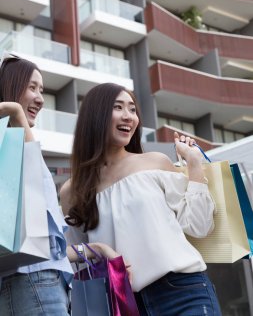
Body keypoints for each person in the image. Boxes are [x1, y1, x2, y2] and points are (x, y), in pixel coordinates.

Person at [60, 82, 222, 316]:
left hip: (183, 292)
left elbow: (199, 226)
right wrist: (100, 250)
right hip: (122, 303)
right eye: (118, 108)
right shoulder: (72, 191)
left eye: (133, 109)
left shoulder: (154, 162)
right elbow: (78, 255)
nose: (129, 117)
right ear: (96, 115)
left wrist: (194, 164)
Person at [0, 55, 126, 316]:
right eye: (32, 87)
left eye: (42, 90)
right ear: (10, 88)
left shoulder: (12, 150)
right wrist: (16, 114)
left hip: (29, 284)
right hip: (36, 287)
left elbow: (44, 248)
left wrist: (97, 249)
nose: (40, 99)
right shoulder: (16, 151)